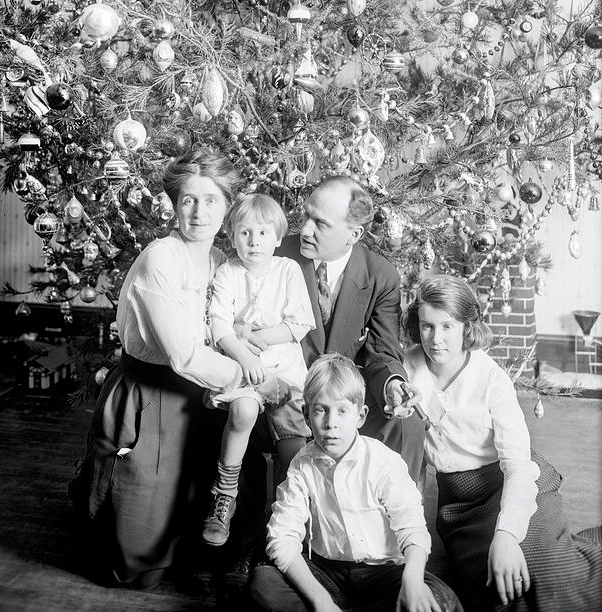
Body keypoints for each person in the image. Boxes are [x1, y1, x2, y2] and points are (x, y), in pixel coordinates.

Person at [224, 175, 425, 596]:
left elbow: (383, 353)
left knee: (406, 427)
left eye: (321, 224)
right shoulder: (276, 251)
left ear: (354, 233)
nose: (307, 230)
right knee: (292, 446)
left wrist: (391, 384)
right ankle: (271, 547)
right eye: (307, 217)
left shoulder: (380, 274)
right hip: (276, 385)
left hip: (340, 398)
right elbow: (238, 322)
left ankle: (396, 550)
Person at [69, 147, 249, 589]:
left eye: (211, 200)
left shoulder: (221, 263)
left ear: (227, 207)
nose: (199, 211)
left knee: (187, 518)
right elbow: (183, 354)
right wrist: (246, 379)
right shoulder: (160, 258)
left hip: (195, 396)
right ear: (174, 204)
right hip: (145, 394)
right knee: (132, 567)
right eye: (188, 199)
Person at [399, 273, 602, 612]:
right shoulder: (406, 369)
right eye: (427, 326)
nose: (435, 339)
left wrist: (507, 535)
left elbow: (519, 468)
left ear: (467, 326)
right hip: (460, 509)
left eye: (447, 326)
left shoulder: (491, 379)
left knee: (545, 570)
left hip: (511, 485)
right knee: (502, 590)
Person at [249, 353, 463, 612]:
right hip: (327, 572)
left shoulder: (384, 462)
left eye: (342, 411)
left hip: (383, 573)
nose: (331, 424)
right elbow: (282, 538)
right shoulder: (302, 465)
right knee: (264, 584)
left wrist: (413, 581)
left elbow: (413, 530)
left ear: (360, 416)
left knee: (442, 601)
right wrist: (321, 600)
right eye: (320, 410)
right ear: (306, 416)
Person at [202, 193, 316, 547]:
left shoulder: (288, 270)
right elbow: (219, 326)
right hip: (242, 365)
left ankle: (291, 514)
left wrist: (255, 337)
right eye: (245, 233)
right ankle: (225, 495)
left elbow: (297, 325)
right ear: (232, 236)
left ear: (279, 238)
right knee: (243, 409)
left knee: (291, 436)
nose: (254, 241)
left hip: (283, 368)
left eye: (263, 233)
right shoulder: (227, 272)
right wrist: (246, 356)